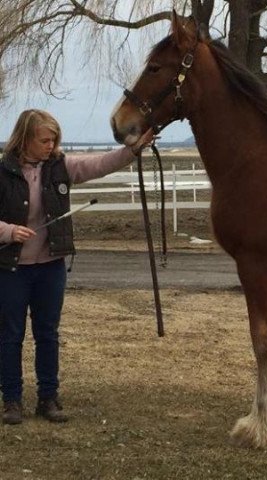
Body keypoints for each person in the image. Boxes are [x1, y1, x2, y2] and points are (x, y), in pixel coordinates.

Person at [0, 109, 153, 425]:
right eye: (45, 139)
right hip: (11, 269)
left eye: (54, 138)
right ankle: (12, 401)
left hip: (51, 268)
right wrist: (9, 231)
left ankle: (48, 398)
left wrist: (132, 150)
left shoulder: (60, 166)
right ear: (25, 138)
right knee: (10, 335)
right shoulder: (3, 171)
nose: (51, 144)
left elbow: (98, 165)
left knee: (48, 334)